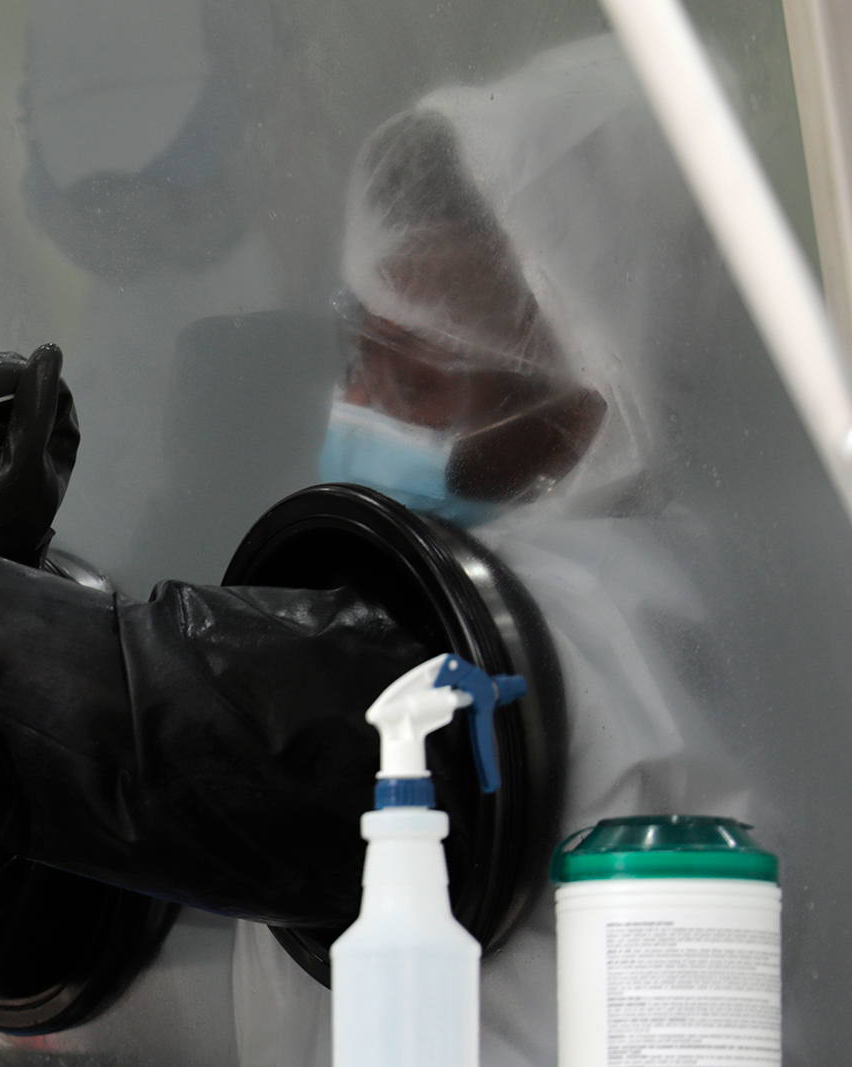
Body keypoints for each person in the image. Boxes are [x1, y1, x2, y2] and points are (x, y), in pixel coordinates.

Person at [231, 36, 756, 1067]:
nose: (361, 406)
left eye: (416, 380)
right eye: (357, 355)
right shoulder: (478, 583)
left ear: (574, 409)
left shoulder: (583, 635)